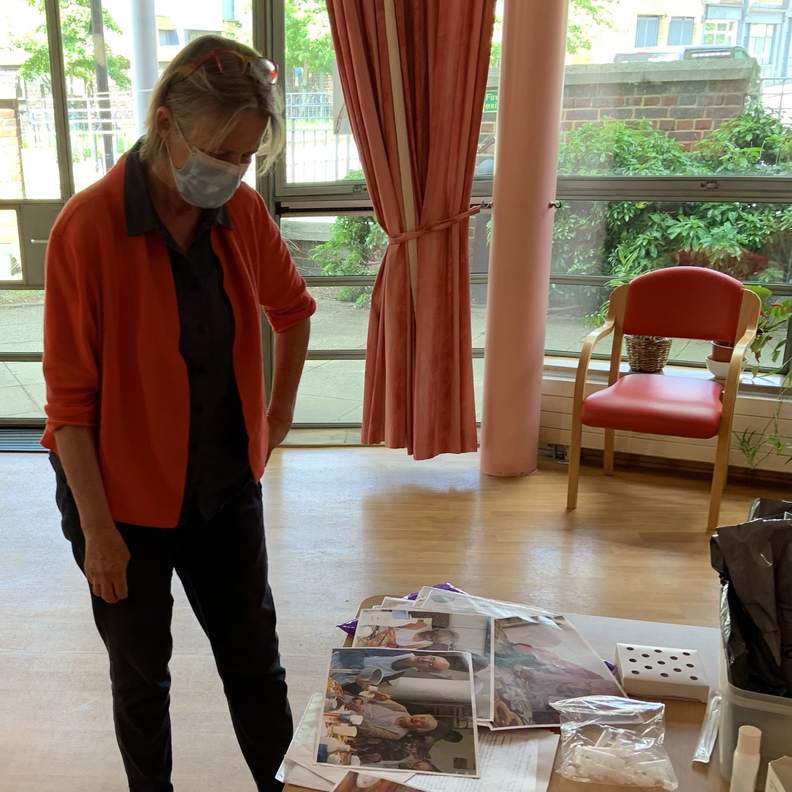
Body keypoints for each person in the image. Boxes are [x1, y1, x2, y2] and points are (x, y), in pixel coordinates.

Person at [42, 35, 314, 792]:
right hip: (119, 502)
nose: (230, 172)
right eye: (219, 152)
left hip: (224, 486)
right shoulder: (88, 228)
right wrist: (99, 536)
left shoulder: (242, 213)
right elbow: (70, 406)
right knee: (141, 679)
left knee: (255, 666)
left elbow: (292, 311)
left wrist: (278, 414)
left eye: (247, 157)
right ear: (166, 124)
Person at [330, 649, 451, 693]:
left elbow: (353, 685)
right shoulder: (398, 650)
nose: (425, 660)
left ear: (423, 671)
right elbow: (353, 651)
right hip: (329, 661)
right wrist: (360, 673)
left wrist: (362, 689)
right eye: (431, 658)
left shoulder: (397, 674)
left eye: (430, 664)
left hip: (331, 682)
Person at [344, 698, 437, 740]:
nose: (418, 719)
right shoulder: (401, 709)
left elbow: (370, 731)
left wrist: (359, 712)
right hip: (351, 703)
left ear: (419, 729)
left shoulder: (397, 734)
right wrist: (360, 701)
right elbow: (375, 698)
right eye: (421, 717)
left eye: (421, 723)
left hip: (348, 721)